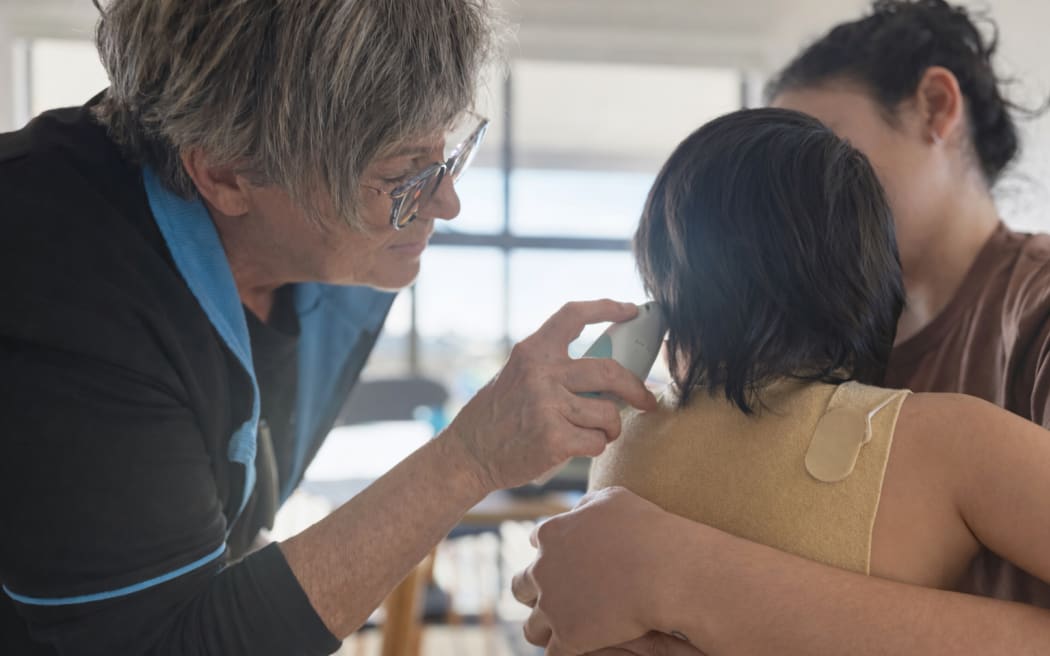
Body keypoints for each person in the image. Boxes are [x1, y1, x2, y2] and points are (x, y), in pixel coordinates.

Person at [0, 1, 659, 654]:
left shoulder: (327, 250)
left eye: (448, 153)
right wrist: (471, 457)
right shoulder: (57, 288)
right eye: (404, 174)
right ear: (228, 171)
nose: (448, 201)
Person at [513, 1, 1050, 653]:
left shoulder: (1029, 325)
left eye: (825, 144)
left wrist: (679, 576)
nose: (798, 184)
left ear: (935, 106)